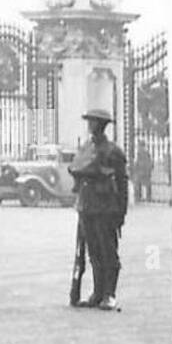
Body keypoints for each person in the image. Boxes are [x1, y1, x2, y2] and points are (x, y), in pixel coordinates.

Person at [69, 108, 129, 310]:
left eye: (93, 122)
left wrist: (121, 212)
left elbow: (122, 184)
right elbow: (76, 170)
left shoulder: (113, 151)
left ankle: (110, 294)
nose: (90, 125)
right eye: (89, 121)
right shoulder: (86, 148)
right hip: (87, 206)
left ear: (102, 124)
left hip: (105, 208)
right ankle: (98, 292)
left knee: (108, 251)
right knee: (93, 251)